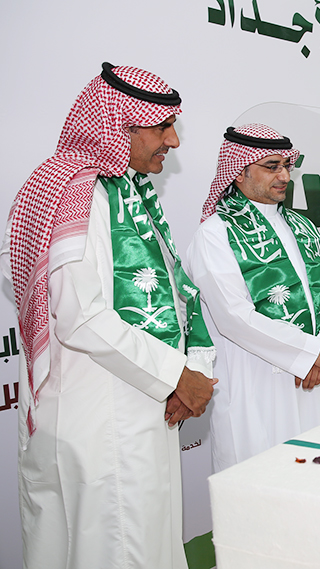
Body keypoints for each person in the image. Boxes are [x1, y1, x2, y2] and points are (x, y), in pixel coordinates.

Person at [1, 63, 217, 569]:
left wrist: (187, 372)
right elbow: (79, 316)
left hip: (136, 406)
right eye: (162, 127)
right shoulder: (79, 193)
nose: (173, 141)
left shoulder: (123, 192)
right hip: (102, 418)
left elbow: (172, 296)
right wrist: (175, 375)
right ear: (121, 125)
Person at [187, 124, 320, 473]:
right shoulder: (214, 234)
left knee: (316, 477)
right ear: (239, 171)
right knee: (261, 481)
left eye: (286, 166)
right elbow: (234, 317)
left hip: (311, 380)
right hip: (255, 387)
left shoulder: (303, 226)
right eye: (271, 167)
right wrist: (310, 352)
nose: (285, 176)